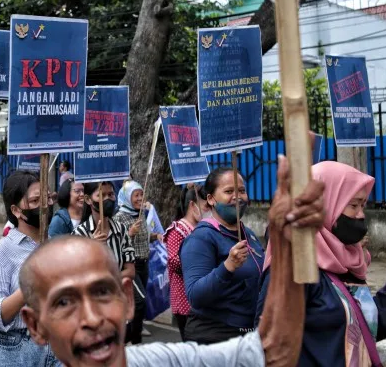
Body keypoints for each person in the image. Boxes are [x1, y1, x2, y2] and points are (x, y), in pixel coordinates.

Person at [17, 154, 325, 367]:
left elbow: (273, 351)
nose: (92, 318)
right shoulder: (200, 237)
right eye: (63, 302)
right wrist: (227, 267)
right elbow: (193, 286)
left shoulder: (161, 361)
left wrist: (287, 241)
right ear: (35, 326)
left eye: (101, 292)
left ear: (126, 297)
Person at [259, 160, 386, 366]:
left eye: (363, 205)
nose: (361, 214)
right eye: (353, 205)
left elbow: (360, 330)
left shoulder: (344, 260)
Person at [0, 171, 59, 367]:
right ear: (16, 210)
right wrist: (29, 287)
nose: (44, 205)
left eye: (47, 198)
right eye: (35, 201)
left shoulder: (58, 247)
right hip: (17, 350)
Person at [180, 167, 265, 345]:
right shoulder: (201, 238)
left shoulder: (249, 235)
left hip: (249, 335)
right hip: (214, 337)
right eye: (228, 191)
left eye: (241, 191)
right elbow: (195, 296)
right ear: (211, 199)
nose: (237, 197)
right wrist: (228, 267)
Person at [165, 184, 209, 341]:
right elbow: (173, 262)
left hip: (201, 298)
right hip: (184, 300)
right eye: (206, 206)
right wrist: (198, 262)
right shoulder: (177, 230)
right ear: (192, 205)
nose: (208, 211)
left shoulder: (202, 228)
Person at [113, 180, 151, 343]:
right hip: (130, 265)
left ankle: (131, 336)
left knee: (136, 303)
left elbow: (145, 237)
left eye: (141, 194)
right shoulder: (119, 217)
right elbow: (117, 242)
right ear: (127, 197)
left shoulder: (141, 214)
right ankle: (132, 338)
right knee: (139, 301)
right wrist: (130, 233)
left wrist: (157, 237)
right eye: (136, 195)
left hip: (144, 264)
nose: (140, 198)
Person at [74, 182, 135, 280]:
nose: (107, 199)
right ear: (88, 199)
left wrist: (108, 281)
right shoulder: (79, 234)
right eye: (101, 195)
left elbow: (130, 271)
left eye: (110, 194)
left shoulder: (121, 230)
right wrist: (92, 249)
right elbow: (77, 273)